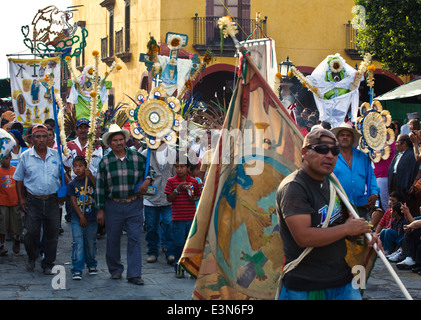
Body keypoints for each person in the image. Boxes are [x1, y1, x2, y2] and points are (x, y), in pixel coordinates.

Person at [276, 128, 380, 300]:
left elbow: (348, 223)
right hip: (305, 285)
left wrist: (366, 233)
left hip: (341, 280)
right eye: (322, 149)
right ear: (305, 152)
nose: (330, 155)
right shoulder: (294, 187)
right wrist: (347, 229)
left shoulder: (333, 184)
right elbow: (304, 237)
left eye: (335, 151)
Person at [95, 124, 154, 285]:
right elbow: (99, 186)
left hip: (134, 204)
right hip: (112, 205)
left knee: (134, 239)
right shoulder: (105, 162)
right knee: (113, 239)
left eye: (121, 139)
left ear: (125, 140)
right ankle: (115, 270)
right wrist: (100, 210)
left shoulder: (137, 157)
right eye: (115, 140)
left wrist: (147, 181)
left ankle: (134, 274)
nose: (119, 143)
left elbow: (151, 170)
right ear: (110, 143)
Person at [13, 124, 62, 275]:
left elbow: (62, 176)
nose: (41, 139)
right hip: (33, 200)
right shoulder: (25, 156)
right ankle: (33, 256)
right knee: (31, 233)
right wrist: (21, 199)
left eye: (44, 136)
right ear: (32, 139)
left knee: (52, 233)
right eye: (38, 136)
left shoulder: (56, 155)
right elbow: (19, 180)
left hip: (52, 200)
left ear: (49, 138)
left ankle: (48, 263)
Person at [331, 123, 380, 218]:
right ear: (337, 139)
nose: (345, 137)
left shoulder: (363, 157)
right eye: (342, 135)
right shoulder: (331, 156)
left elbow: (371, 177)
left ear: (353, 139)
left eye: (348, 135)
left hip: (360, 205)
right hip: (337, 206)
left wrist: (374, 193)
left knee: (362, 231)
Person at [165, 155, 201, 278]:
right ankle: (178, 268)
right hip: (177, 218)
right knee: (179, 244)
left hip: (191, 217)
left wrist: (192, 197)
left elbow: (198, 196)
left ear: (188, 168)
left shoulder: (194, 182)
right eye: (177, 167)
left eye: (182, 167)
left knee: (191, 244)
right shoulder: (171, 181)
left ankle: (191, 269)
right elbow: (169, 198)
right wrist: (178, 189)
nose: (179, 169)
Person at [141, 143, 176, 265]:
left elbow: (176, 173)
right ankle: (152, 251)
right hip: (150, 197)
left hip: (168, 196)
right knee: (151, 226)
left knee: (169, 223)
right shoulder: (146, 153)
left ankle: (170, 252)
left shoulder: (173, 153)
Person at [67, 156, 98, 280]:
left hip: (92, 216)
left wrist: (90, 176)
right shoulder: (72, 184)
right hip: (77, 218)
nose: (78, 168)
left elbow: (98, 187)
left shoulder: (90, 181)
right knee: (78, 243)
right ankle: (77, 268)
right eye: (75, 166)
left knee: (91, 242)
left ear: (86, 167)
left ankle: (91, 264)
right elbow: (73, 201)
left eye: (81, 166)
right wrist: (80, 216)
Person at [388, 134, 419, 217]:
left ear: (404, 143)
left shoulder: (411, 155)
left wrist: (409, 185)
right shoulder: (398, 154)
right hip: (395, 183)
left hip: (405, 187)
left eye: (397, 142)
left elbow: (412, 172)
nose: (395, 144)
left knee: (406, 207)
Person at [0, 155, 23, 255]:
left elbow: (20, 185)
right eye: (2, 159)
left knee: (17, 223)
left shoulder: (15, 170)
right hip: (2, 202)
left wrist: (21, 198)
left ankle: (16, 238)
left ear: (10, 158)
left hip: (15, 201)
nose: (4, 161)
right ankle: (2, 245)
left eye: (6, 158)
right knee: (2, 224)